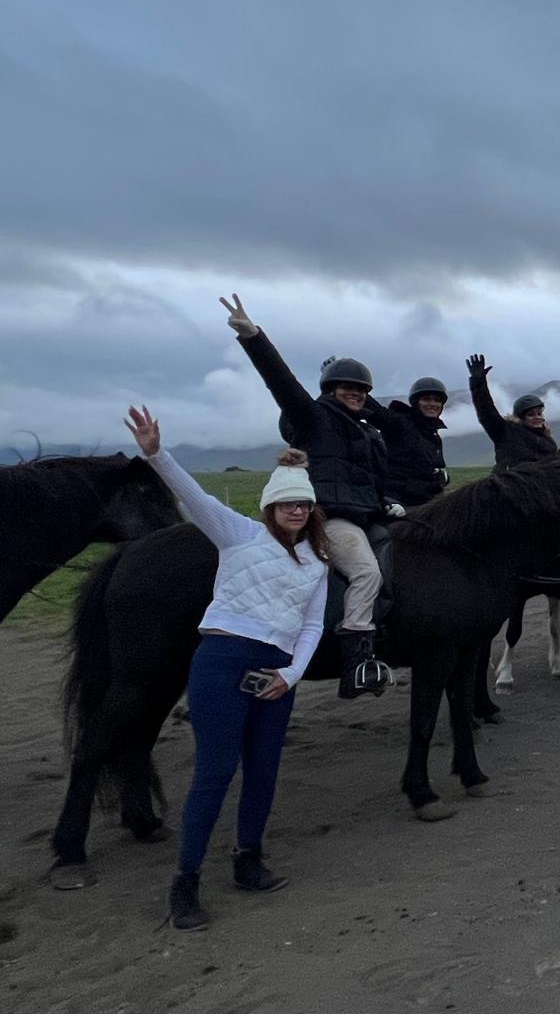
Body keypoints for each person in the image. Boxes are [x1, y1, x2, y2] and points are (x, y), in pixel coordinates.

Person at [124, 406, 327, 933]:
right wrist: (157, 454)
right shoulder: (237, 534)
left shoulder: (318, 564)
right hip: (221, 660)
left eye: (304, 502)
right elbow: (197, 497)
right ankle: (185, 882)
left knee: (263, 771)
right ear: (269, 506)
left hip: (276, 674)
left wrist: (292, 675)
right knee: (215, 773)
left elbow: (311, 628)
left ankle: (247, 859)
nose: (297, 510)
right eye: (287, 502)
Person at [221, 294, 394, 698]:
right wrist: (254, 338)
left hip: (369, 515)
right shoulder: (314, 418)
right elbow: (283, 384)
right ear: (330, 390)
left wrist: (387, 503)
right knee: (367, 572)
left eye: (360, 389)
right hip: (333, 518)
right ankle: (356, 662)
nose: (354, 393)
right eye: (346, 387)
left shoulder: (369, 433)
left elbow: (369, 479)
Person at [466, 353, 560, 467]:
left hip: (540, 484)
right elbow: (486, 410)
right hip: (510, 482)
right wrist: (478, 381)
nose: (537, 417)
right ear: (520, 417)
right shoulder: (506, 432)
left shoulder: (549, 442)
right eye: (531, 414)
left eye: (539, 413)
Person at [383, 377, 450, 508]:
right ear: (415, 402)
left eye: (437, 400)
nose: (433, 403)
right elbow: (377, 414)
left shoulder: (433, 435)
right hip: (398, 504)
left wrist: (442, 477)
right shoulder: (400, 424)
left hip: (426, 503)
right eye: (426, 399)